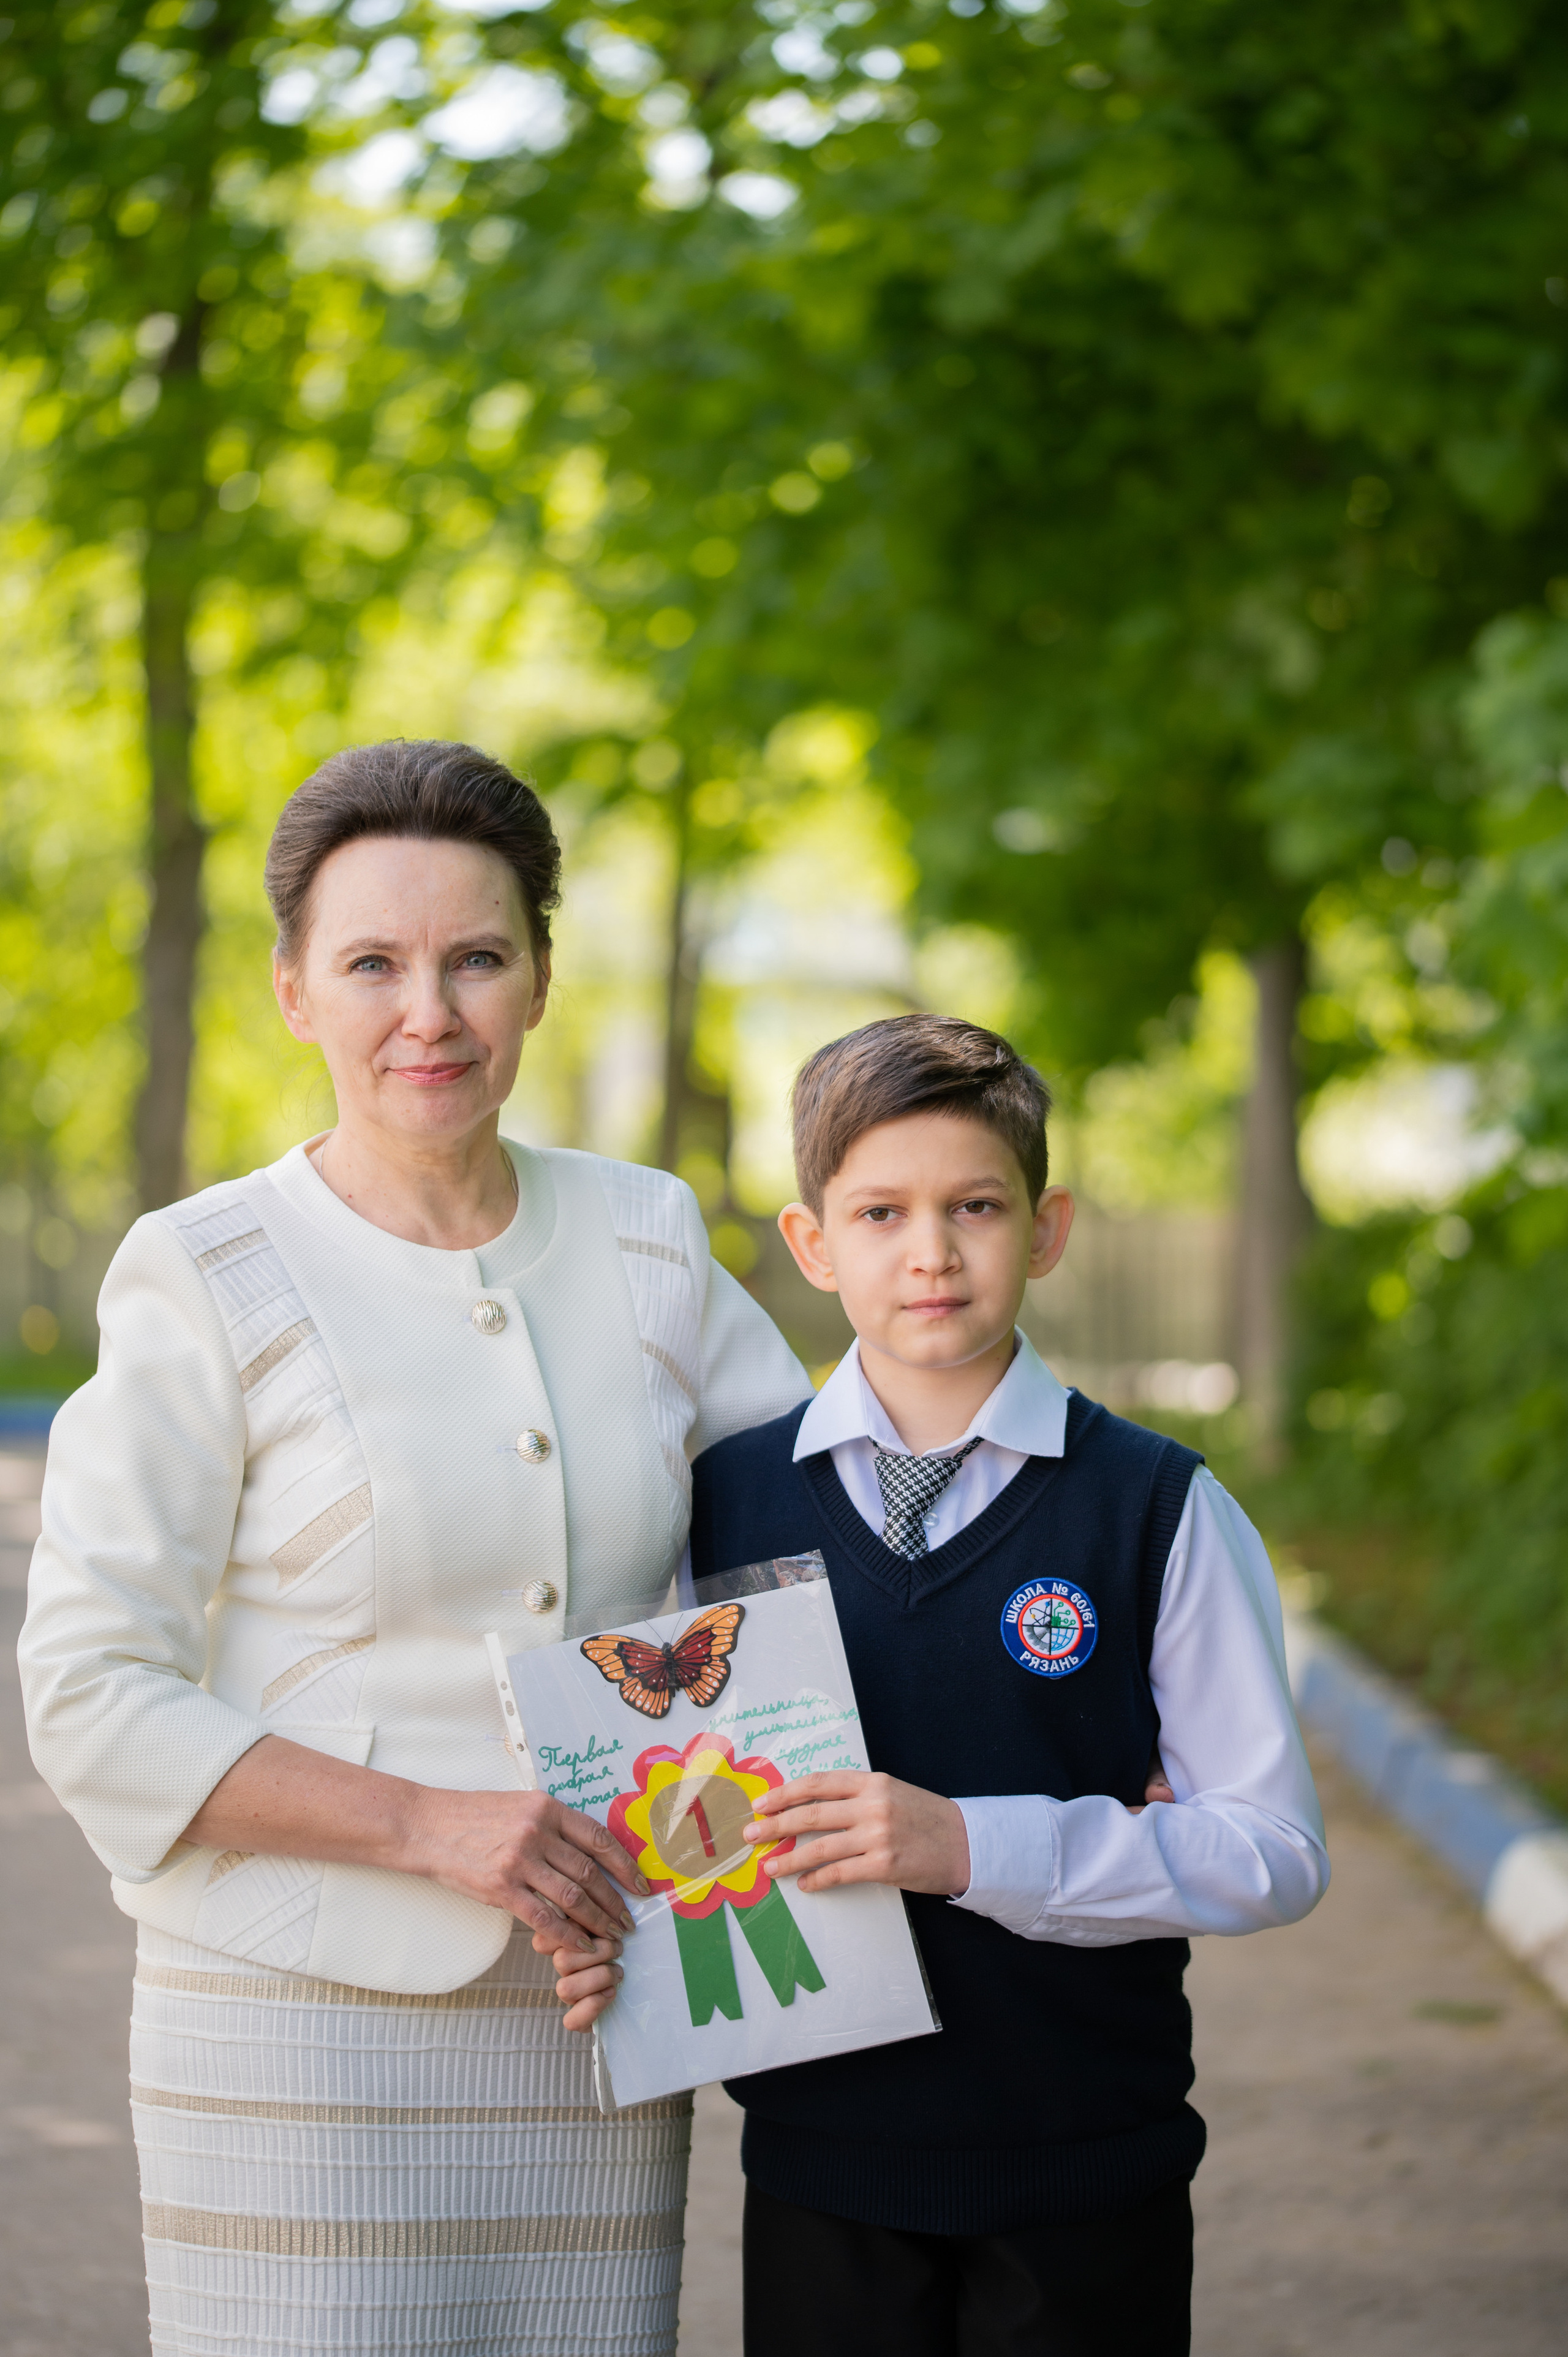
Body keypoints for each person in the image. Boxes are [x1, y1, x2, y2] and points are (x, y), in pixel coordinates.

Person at [18, 738, 810, 2357]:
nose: (429, 1013)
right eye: (373, 962)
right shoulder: (201, 1271)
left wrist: (1057, 1712)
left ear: (539, 982)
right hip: (289, 2024)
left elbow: (810, 1560)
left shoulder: (651, 1237)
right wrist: (432, 1827)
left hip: (599, 2010)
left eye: (477, 960)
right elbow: (91, 1697)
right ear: (293, 990)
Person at [679, 1013, 1328, 2357]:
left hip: (1084, 2172)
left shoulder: (1155, 1507)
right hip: (819, 2171)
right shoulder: (721, 1502)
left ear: (1046, 1229)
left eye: (974, 1205)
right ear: (812, 1244)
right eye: (880, 1213)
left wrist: (968, 1845)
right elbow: (678, 1807)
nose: (930, 1251)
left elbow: (1271, 1848)